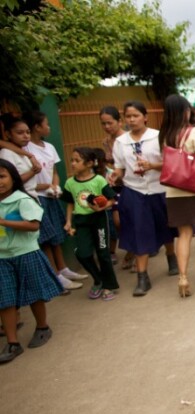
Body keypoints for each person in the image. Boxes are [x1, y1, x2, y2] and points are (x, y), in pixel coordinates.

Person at [108, 101, 177, 296]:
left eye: (135, 115)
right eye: (128, 116)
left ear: (145, 117)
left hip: (159, 189)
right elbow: (119, 166)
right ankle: (142, 277)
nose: (131, 120)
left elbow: (171, 163)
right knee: (139, 231)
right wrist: (116, 175)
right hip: (134, 191)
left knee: (165, 226)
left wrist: (152, 166)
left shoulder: (158, 137)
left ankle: (171, 257)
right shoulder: (121, 142)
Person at [0, 160, 63, 363]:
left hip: (26, 253)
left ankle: (42, 327)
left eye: (2, 176)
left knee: (35, 293)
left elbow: (33, 225)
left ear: (12, 178)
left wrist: (3, 222)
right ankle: (12, 342)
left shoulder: (22, 199)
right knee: (5, 300)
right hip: (2, 257)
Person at [25, 111, 90, 291]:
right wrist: (45, 187)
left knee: (57, 237)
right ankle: (55, 276)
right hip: (37, 198)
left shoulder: (49, 147)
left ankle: (63, 269)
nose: (49, 127)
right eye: (46, 123)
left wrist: (55, 185)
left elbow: (53, 170)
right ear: (37, 127)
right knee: (47, 240)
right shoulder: (26, 149)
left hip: (51, 196)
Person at [159, 94, 195, 298]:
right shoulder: (193, 133)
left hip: (174, 192)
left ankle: (183, 277)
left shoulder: (164, 135)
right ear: (185, 111)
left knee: (183, 235)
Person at [61, 147, 119, 301]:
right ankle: (98, 279)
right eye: (71, 160)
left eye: (77, 160)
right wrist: (68, 222)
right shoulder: (69, 183)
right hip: (81, 222)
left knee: (103, 254)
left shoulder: (99, 180)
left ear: (89, 164)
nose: (73, 163)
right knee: (82, 253)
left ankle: (109, 285)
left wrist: (101, 206)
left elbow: (112, 199)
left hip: (98, 220)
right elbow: (70, 203)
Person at [100, 106, 126, 266]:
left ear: (119, 121)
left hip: (131, 184)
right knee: (117, 221)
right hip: (115, 185)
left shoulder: (127, 139)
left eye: (110, 123)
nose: (107, 127)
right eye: (103, 124)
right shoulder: (106, 141)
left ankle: (134, 253)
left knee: (128, 220)